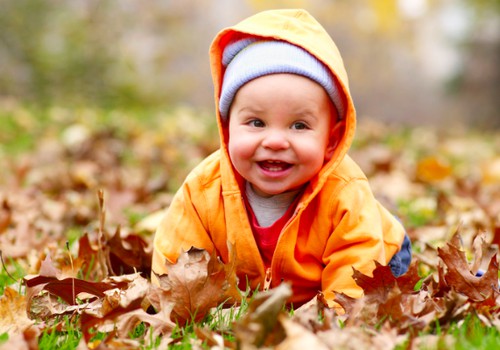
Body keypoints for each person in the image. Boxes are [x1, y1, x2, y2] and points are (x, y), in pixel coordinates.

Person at [152, 9, 411, 309]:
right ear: (227, 128)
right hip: (267, 292)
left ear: (330, 140)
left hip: (379, 255)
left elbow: (357, 265)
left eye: (299, 126)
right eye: (256, 123)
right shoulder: (203, 191)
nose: (275, 141)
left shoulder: (345, 193)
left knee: (380, 290)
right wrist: (178, 304)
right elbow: (175, 253)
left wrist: (338, 317)